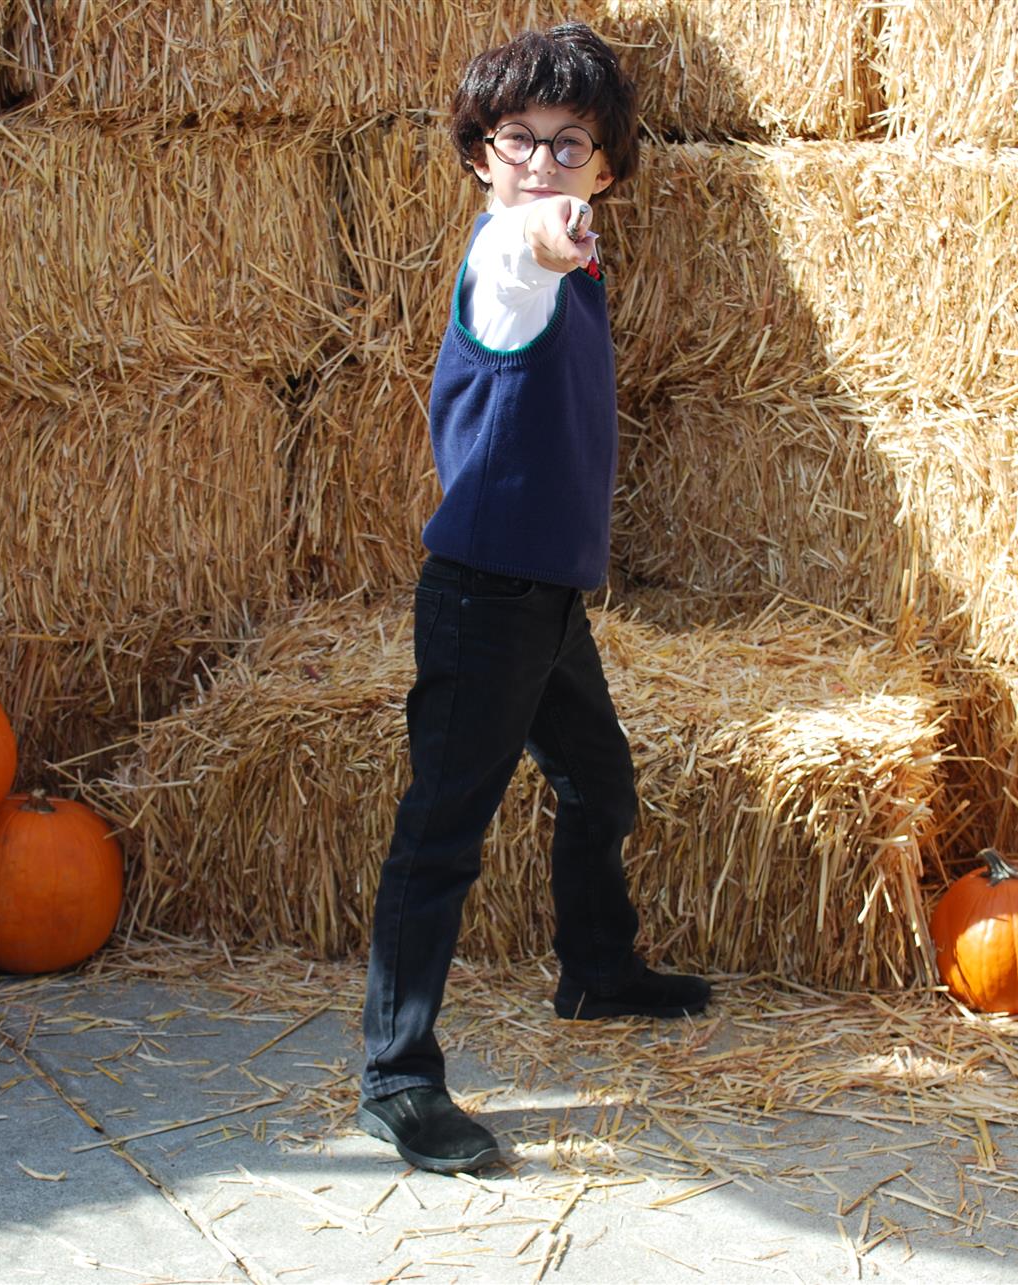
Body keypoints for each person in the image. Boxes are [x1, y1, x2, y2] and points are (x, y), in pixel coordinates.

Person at [357, 21, 711, 1176]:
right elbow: (529, 245)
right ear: (481, 156)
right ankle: (398, 1076)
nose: (545, 165)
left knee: (599, 783)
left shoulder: (574, 249)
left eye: (571, 148)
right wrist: (543, 224)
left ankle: (598, 969)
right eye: (520, 143)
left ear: (608, 165)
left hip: (547, 601)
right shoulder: (511, 257)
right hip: (482, 600)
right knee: (441, 835)